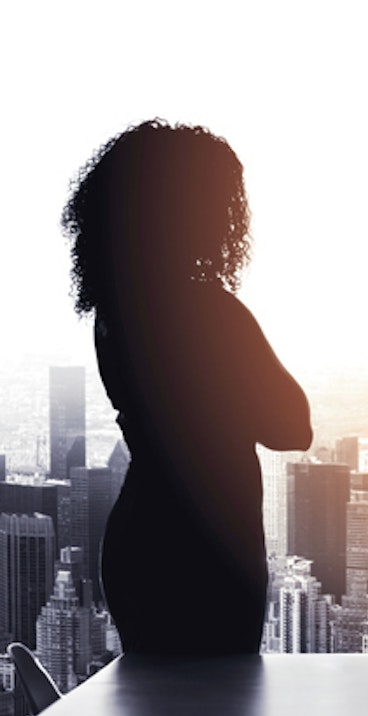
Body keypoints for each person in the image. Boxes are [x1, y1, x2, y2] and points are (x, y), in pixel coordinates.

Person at [62, 119, 312, 654]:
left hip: (141, 539)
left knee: (157, 700)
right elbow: (293, 427)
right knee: (221, 699)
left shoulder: (113, 314)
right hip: (212, 546)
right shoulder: (211, 311)